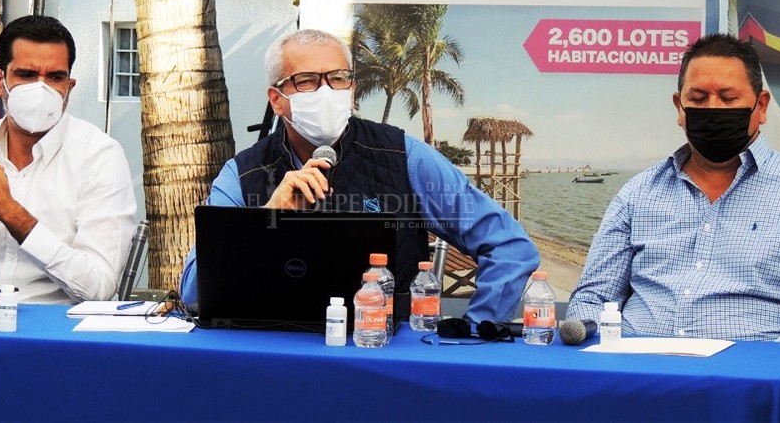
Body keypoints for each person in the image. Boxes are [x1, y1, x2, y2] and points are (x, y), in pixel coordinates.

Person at [180, 28, 539, 323]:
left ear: (351, 89)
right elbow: (194, 292)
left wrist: (476, 329)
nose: (326, 91)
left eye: (338, 78)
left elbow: (510, 247)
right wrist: (264, 219)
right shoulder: (241, 174)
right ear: (277, 99)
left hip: (381, 356)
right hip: (274, 354)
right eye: (306, 81)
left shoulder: (403, 156)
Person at [566, 33, 780, 341]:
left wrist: (760, 370)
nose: (713, 109)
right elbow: (594, 297)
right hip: (639, 373)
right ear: (679, 108)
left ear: (760, 107)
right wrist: (587, 332)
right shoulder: (637, 194)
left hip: (750, 378)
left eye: (728, 98)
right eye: (697, 99)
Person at [0, 15, 137, 303]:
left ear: (69, 86)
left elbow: (98, 288)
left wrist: (9, 211)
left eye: (55, 77)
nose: (40, 89)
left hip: (60, 332)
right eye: (27, 75)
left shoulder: (99, 155)